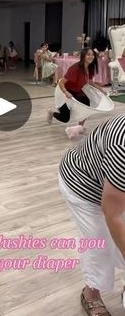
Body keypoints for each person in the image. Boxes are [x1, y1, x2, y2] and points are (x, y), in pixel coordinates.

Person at [59, 113, 125, 316]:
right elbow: (113, 214)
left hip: (114, 183)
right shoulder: (122, 147)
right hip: (82, 183)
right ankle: (91, 295)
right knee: (100, 244)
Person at [47, 48, 106, 127]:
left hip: (76, 90)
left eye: (92, 55)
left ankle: (80, 127)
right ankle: (51, 113)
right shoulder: (76, 68)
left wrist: (100, 89)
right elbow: (61, 82)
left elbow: (90, 81)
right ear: (83, 56)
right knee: (65, 118)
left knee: (87, 104)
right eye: (88, 54)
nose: (91, 56)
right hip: (63, 90)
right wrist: (65, 92)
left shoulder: (90, 67)